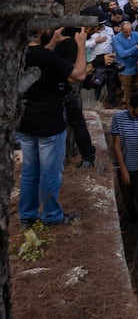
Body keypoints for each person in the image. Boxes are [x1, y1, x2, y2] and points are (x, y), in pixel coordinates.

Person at [17, 26, 87, 227]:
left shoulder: (17, 54)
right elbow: (79, 74)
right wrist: (81, 45)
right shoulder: (45, 57)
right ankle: (51, 215)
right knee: (50, 173)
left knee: (30, 172)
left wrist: (53, 43)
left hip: (25, 122)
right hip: (49, 123)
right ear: (40, 31)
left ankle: (27, 215)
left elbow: (41, 57)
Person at [111, 91, 138, 252]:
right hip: (125, 164)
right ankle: (133, 216)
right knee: (128, 199)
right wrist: (123, 169)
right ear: (131, 108)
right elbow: (116, 145)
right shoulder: (118, 118)